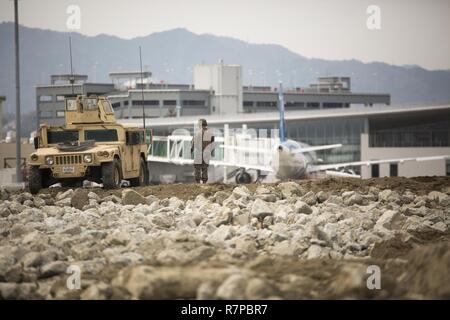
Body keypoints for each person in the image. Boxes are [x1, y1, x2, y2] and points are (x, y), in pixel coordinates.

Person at [191, 119, 214, 183]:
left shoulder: (198, 133)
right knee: (205, 168)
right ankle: (204, 182)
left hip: (199, 152)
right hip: (207, 152)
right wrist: (211, 152)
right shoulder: (210, 133)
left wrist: (191, 150)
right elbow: (212, 144)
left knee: (197, 167)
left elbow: (194, 143)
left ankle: (198, 182)